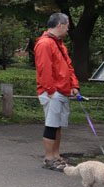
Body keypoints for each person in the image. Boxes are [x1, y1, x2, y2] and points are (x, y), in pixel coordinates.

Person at [34, 12, 80, 171]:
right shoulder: (45, 44)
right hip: (53, 92)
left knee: (58, 124)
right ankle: (49, 158)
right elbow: (44, 69)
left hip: (62, 90)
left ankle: (56, 155)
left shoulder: (59, 44)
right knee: (51, 125)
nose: (68, 30)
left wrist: (74, 85)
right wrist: (51, 91)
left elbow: (68, 66)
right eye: (67, 26)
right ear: (59, 25)